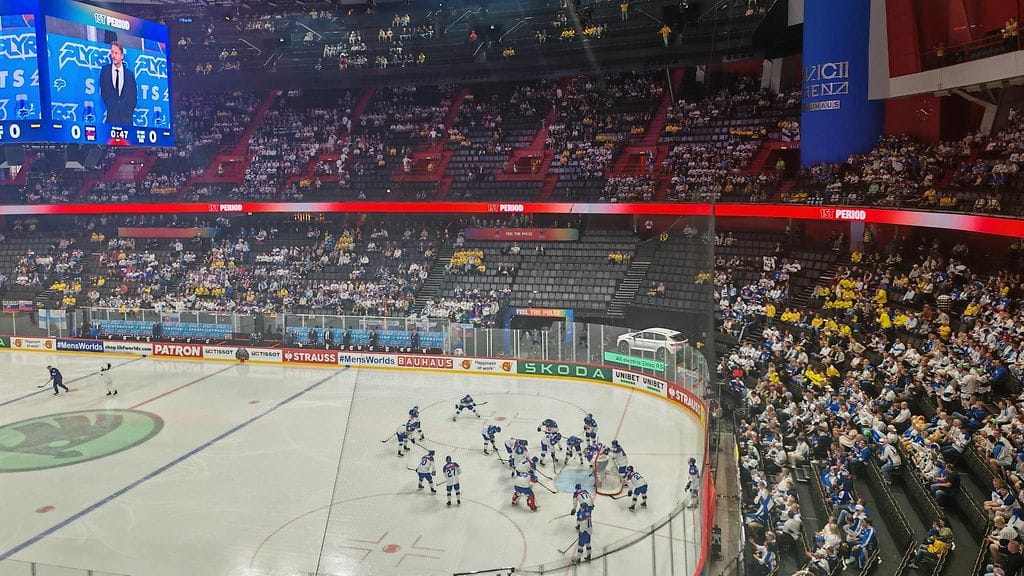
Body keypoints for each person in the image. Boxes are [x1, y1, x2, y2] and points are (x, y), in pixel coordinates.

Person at [99, 41, 138, 126]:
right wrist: (111, 106)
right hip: (111, 118)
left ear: (122, 56)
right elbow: (104, 93)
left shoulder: (129, 75)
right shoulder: (105, 71)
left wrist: (128, 110)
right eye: (112, 52)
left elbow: (133, 96)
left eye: (116, 53)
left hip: (126, 120)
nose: (113, 56)